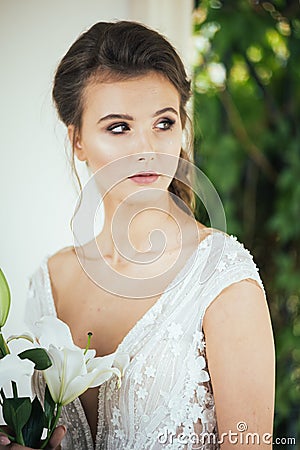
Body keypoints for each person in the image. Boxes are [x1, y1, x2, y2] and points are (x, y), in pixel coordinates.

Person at [0, 21, 275, 449]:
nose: (146, 147)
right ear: (77, 140)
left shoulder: (222, 281)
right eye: (119, 127)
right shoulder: (48, 284)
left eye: (163, 123)